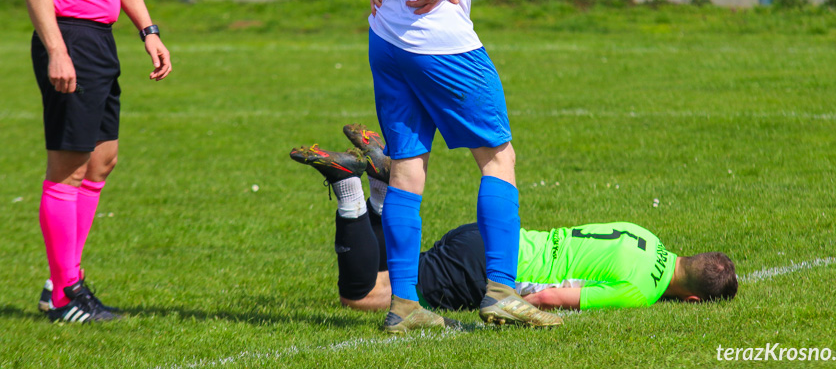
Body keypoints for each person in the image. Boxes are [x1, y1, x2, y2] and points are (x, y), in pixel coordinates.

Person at [293, 0, 560, 332]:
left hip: (386, 42)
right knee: (498, 158)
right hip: (443, 43)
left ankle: (406, 305)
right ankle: (502, 292)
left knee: (409, 168)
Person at [290, 125, 738, 315]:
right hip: (491, 272)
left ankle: (383, 186)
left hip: (493, 239)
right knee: (364, 296)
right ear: (693, 301)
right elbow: (551, 299)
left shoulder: (647, 236)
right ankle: (351, 189)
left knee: (392, 274)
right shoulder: (642, 290)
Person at [21, 0, 172, 324]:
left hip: (101, 40)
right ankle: (65, 296)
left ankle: (64, 280)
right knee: (67, 169)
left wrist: (147, 29)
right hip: (70, 39)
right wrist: (57, 49)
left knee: (101, 160)